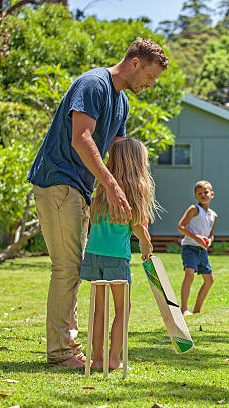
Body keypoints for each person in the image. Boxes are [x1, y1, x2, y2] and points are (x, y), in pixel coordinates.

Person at [27, 37, 168, 368]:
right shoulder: (93, 84)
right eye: (150, 76)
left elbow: (118, 156)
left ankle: (72, 348)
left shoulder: (122, 103)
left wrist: (134, 196)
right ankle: (62, 352)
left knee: (72, 267)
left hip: (79, 188)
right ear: (135, 64)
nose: (150, 85)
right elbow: (81, 138)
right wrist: (110, 185)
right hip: (58, 181)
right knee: (67, 267)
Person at [80, 137, 157, 369]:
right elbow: (135, 224)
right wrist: (145, 243)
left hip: (93, 254)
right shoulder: (135, 188)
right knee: (123, 308)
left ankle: (97, 360)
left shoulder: (103, 187)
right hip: (116, 257)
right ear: (136, 162)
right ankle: (114, 360)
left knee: (99, 310)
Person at [178, 180, 218, 316]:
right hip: (190, 247)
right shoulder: (194, 209)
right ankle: (183, 309)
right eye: (199, 193)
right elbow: (181, 226)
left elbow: (211, 235)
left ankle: (197, 310)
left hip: (202, 250)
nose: (203, 195)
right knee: (189, 273)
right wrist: (197, 238)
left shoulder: (213, 215)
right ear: (195, 196)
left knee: (209, 280)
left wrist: (209, 241)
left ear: (212, 194)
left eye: (206, 192)